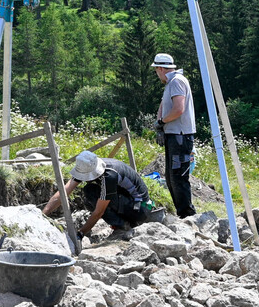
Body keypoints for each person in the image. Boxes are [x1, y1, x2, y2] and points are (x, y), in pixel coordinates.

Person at [42, 150, 153, 236]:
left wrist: (80, 233)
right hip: (127, 199)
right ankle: (121, 223)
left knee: (92, 192)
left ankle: (123, 225)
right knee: (89, 192)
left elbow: (99, 212)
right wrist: (43, 215)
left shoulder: (109, 176)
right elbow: (64, 192)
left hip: (140, 208)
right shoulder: (87, 166)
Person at [151, 53, 197, 218]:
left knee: (178, 177)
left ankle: (188, 215)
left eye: (156, 70)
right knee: (171, 178)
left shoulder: (177, 81)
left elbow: (178, 109)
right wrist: (160, 126)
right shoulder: (171, 82)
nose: (157, 75)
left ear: (161, 68)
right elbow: (164, 105)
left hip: (180, 136)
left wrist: (162, 122)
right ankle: (183, 213)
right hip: (175, 135)